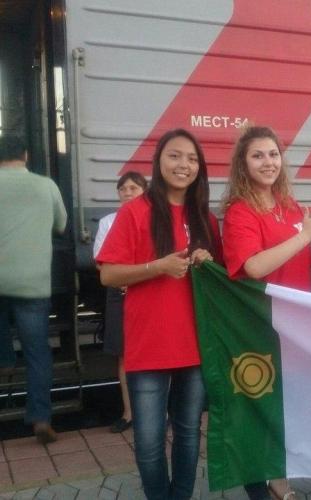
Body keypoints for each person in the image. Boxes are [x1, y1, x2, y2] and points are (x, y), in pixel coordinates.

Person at [97, 129, 222, 500]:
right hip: (149, 344)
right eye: (175, 156)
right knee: (149, 440)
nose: (184, 165)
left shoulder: (205, 218)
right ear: (159, 161)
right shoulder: (135, 211)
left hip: (194, 344)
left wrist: (208, 262)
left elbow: (220, 280)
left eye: (192, 159)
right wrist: (158, 267)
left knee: (188, 433)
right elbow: (109, 274)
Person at [221, 126, 311, 500]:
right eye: (258, 155)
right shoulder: (240, 211)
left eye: (273, 154)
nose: (268, 162)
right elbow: (253, 266)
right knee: (264, 407)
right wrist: (305, 236)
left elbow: (298, 265)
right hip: (261, 326)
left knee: (288, 407)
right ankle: (266, 483)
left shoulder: (290, 206)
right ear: (243, 163)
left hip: (295, 327)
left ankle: (279, 478)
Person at [0, 134, 67, 445]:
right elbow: (61, 225)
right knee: (37, 353)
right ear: (25, 155)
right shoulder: (46, 186)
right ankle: (40, 418)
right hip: (33, 283)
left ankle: (5, 360)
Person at [92, 171, 148, 434]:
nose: (127, 192)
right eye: (123, 188)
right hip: (119, 292)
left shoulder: (154, 220)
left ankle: (161, 412)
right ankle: (129, 412)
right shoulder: (108, 222)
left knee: (152, 352)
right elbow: (101, 260)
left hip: (147, 291)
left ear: (144, 192)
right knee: (125, 354)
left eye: (133, 188)